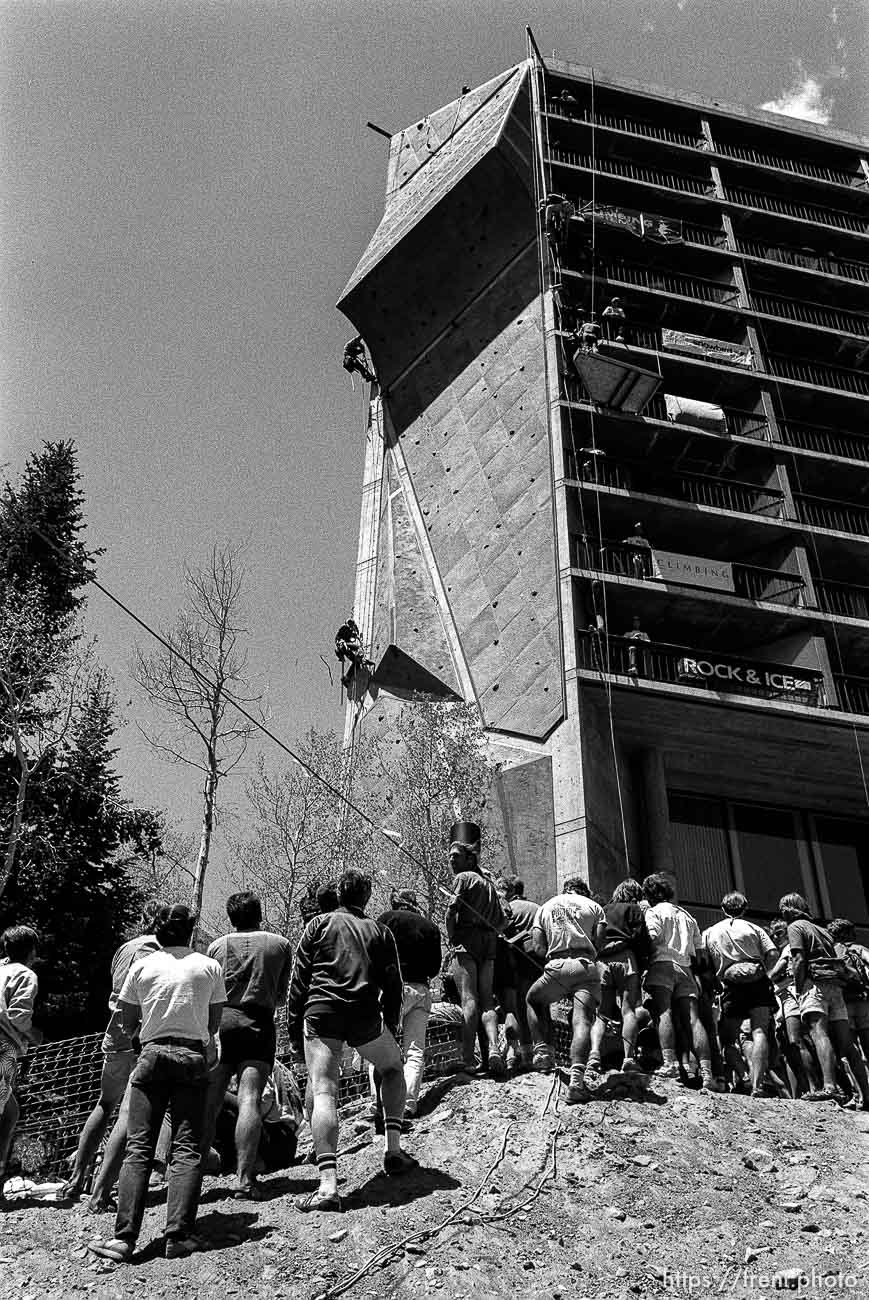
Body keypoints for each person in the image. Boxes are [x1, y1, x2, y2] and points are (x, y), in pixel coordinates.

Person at [88, 904, 226, 1263]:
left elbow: (124, 1021)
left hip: (150, 1055)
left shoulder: (141, 966)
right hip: (192, 1056)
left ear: (158, 932)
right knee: (187, 1148)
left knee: (139, 1147)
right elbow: (212, 1026)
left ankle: (124, 1238)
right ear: (190, 932)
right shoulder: (209, 967)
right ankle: (178, 1234)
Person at [286, 868, 416, 1213]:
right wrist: (390, 1026)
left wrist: (294, 1034)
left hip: (321, 1012)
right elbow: (393, 985)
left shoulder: (317, 925)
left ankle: (328, 1186)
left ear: (339, 894)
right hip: (364, 1015)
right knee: (393, 1068)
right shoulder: (380, 931)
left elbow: (298, 984)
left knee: (324, 1089)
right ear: (367, 897)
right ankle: (393, 1149)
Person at [61, 902, 164, 1202]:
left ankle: (77, 1179)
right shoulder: (156, 953)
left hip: (114, 1032)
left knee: (105, 1104)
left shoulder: (124, 949)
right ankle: (102, 1191)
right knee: (129, 1112)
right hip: (139, 1037)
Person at [204, 892, 293, 1199]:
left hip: (223, 1022)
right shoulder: (280, 945)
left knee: (212, 1097)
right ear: (259, 913)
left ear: (231, 917)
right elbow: (281, 995)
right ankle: (245, 1178)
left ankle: (195, 1164)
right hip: (258, 1021)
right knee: (250, 1097)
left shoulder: (216, 947)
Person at [780, 893, 869, 1107]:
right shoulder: (823, 930)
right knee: (847, 1043)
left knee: (818, 1032)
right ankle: (866, 1093)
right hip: (835, 986)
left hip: (814, 983)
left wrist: (800, 988)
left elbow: (799, 958)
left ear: (787, 910)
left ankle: (829, 1087)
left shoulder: (795, 928)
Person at [526, 879, 606, 1103]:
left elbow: (538, 947)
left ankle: (543, 1053)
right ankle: (577, 1083)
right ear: (584, 891)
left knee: (533, 999)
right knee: (581, 1021)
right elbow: (600, 943)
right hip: (586, 967)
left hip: (557, 966)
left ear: (565, 890)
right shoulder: (594, 907)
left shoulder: (546, 906)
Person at [643, 873, 721, 1092]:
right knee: (694, 1020)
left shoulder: (654, 912)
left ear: (650, 895)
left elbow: (654, 936)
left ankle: (670, 1063)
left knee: (663, 1012)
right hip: (685, 968)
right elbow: (700, 953)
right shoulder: (688, 917)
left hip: (662, 963)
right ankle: (707, 1073)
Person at [444, 821, 506, 1077]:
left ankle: (468, 1059)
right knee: (487, 1000)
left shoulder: (464, 878)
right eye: (449, 857)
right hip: (489, 944)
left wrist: (451, 937)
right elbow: (504, 920)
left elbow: (451, 912)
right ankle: (493, 1048)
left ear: (470, 859)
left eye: (456, 856)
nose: (451, 861)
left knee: (469, 1000)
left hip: (467, 942)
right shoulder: (490, 883)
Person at [701, 893, 778, 1098]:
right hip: (758, 983)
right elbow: (772, 954)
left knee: (728, 1041)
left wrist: (716, 982)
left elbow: (704, 963)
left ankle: (743, 1076)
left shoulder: (710, 932)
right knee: (759, 1032)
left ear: (723, 908)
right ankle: (757, 1085)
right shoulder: (755, 928)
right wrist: (766, 973)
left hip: (731, 986)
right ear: (744, 908)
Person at [376, 890, 442, 1119]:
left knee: (381, 1047)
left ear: (395, 902)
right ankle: (408, 1103)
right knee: (414, 1051)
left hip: (392, 989)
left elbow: (374, 952)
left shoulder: (386, 919)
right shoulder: (430, 927)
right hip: (421, 990)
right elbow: (434, 968)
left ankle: (381, 1104)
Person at [587, 879, 651, 1076]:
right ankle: (629, 1058)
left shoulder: (602, 909)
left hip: (602, 962)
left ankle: (594, 1053)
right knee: (628, 1010)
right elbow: (643, 940)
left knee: (601, 1013)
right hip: (626, 960)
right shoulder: (634, 909)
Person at [0, 926, 41, 1202]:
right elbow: (18, 1016)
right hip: (3, 1047)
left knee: (10, 1112)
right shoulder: (26, 975)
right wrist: (34, 1035)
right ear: (31, 951)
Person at [768, 917, 818, 1098]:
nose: (775, 937)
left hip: (791, 997)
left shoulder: (790, 949)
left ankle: (813, 1087)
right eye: (772, 935)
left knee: (797, 1041)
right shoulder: (784, 950)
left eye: (779, 933)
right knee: (787, 1050)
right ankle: (798, 1093)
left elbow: (776, 972)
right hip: (782, 1000)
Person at [495, 877, 540, 1074]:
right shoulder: (537, 908)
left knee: (519, 1007)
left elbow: (503, 933)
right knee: (539, 1006)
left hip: (517, 962)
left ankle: (522, 1054)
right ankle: (544, 1051)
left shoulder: (509, 908)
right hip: (539, 960)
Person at [827, 917, 869, 1061]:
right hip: (862, 1000)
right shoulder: (857, 949)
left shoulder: (831, 952)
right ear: (847, 933)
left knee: (851, 1048)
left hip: (841, 1002)